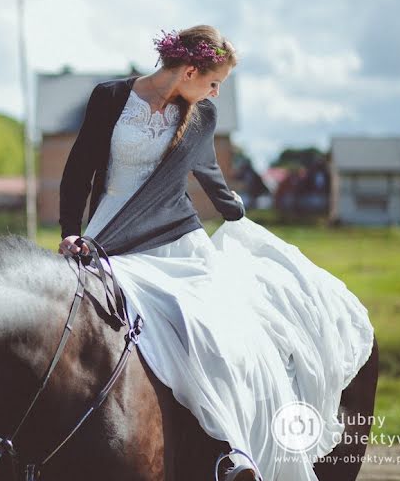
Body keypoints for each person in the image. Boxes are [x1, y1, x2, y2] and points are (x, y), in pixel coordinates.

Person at [58, 25, 374, 481]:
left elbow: (207, 172)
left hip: (177, 241)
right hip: (110, 236)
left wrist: (237, 213)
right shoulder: (108, 98)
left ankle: (230, 446)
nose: (215, 92)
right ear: (188, 70)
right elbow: (78, 171)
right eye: (213, 82)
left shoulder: (201, 114)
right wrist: (70, 232)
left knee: (213, 334)